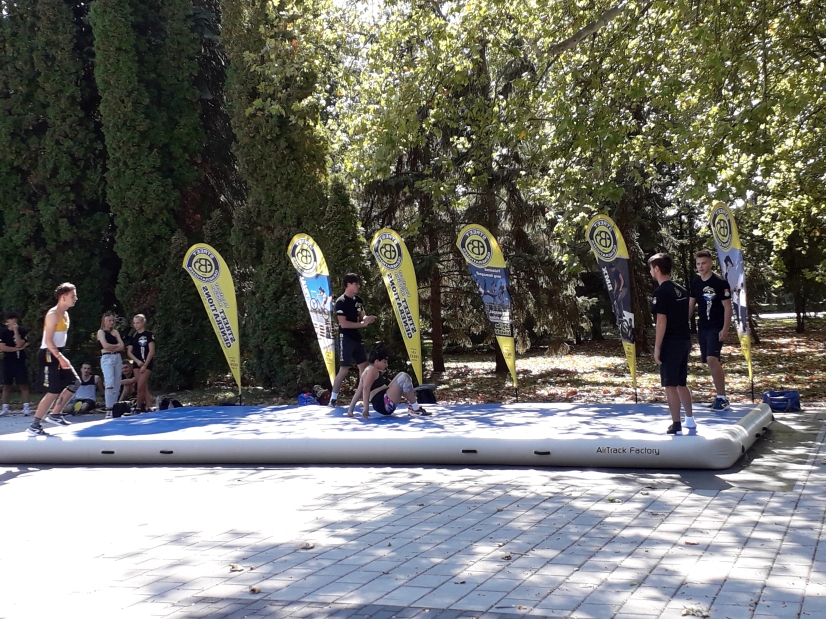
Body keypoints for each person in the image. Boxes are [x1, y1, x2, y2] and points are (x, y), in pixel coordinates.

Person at [648, 253, 695, 434]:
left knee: (670, 384)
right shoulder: (681, 290)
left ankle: (676, 424)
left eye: (651, 269)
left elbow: (661, 321)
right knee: (681, 382)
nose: (651, 272)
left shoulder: (661, 292)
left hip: (671, 342)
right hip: (684, 340)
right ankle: (690, 419)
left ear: (657, 269)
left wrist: (657, 347)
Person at [28, 283, 79, 436]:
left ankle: (55, 414)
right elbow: (48, 340)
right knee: (53, 391)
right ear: (63, 297)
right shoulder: (52, 314)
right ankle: (35, 425)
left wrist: (61, 356)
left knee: (75, 382)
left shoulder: (65, 314)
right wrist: (60, 357)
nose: (76, 298)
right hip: (48, 354)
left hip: (57, 352)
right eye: (73, 296)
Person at [689, 250, 733, 411]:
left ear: (711, 264)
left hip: (717, 326)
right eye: (698, 264)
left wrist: (725, 328)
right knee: (709, 361)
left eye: (704, 263)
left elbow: (727, 307)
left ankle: (722, 397)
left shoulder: (720, 283)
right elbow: (691, 305)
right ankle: (719, 396)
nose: (701, 266)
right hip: (703, 327)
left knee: (712, 358)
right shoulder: (695, 283)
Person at [329, 274, 376, 407]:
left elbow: (362, 316)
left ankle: (362, 397)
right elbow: (343, 324)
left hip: (356, 337)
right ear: (348, 284)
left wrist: (368, 319)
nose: (358, 286)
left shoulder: (359, 300)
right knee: (344, 368)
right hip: (345, 337)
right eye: (356, 284)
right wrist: (362, 324)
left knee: (364, 367)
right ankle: (333, 399)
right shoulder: (340, 302)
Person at [347, 345, 431, 418]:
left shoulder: (366, 371)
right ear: (376, 361)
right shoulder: (372, 370)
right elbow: (365, 389)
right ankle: (415, 408)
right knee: (404, 377)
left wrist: (350, 410)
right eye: (384, 362)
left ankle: (413, 406)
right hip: (383, 404)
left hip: (383, 403)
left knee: (401, 376)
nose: (386, 365)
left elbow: (358, 391)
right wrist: (366, 409)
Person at [0, 311, 30, 416]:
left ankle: (26, 407)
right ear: (7, 321)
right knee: (6, 385)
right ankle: (5, 408)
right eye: (11, 319)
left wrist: (16, 331)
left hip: (20, 361)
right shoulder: (3, 332)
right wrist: (16, 349)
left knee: (23, 384)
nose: (13, 321)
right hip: (8, 361)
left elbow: (20, 343)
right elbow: (2, 347)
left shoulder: (22, 331)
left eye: (15, 318)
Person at [97, 313, 125, 411]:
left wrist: (113, 347)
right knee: (109, 383)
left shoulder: (115, 332)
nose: (111, 322)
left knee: (117, 383)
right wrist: (116, 346)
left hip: (117, 357)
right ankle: (109, 407)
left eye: (113, 320)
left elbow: (122, 346)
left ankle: (114, 406)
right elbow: (105, 346)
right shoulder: (101, 332)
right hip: (107, 357)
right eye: (109, 320)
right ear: (104, 321)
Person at [127, 314, 155, 413]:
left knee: (140, 386)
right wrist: (137, 361)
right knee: (143, 386)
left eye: (138, 323)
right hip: (137, 364)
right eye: (134, 323)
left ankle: (138, 407)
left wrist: (145, 365)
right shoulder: (133, 336)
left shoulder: (148, 334)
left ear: (143, 322)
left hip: (146, 363)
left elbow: (151, 351)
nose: (136, 325)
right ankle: (149, 406)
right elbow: (129, 352)